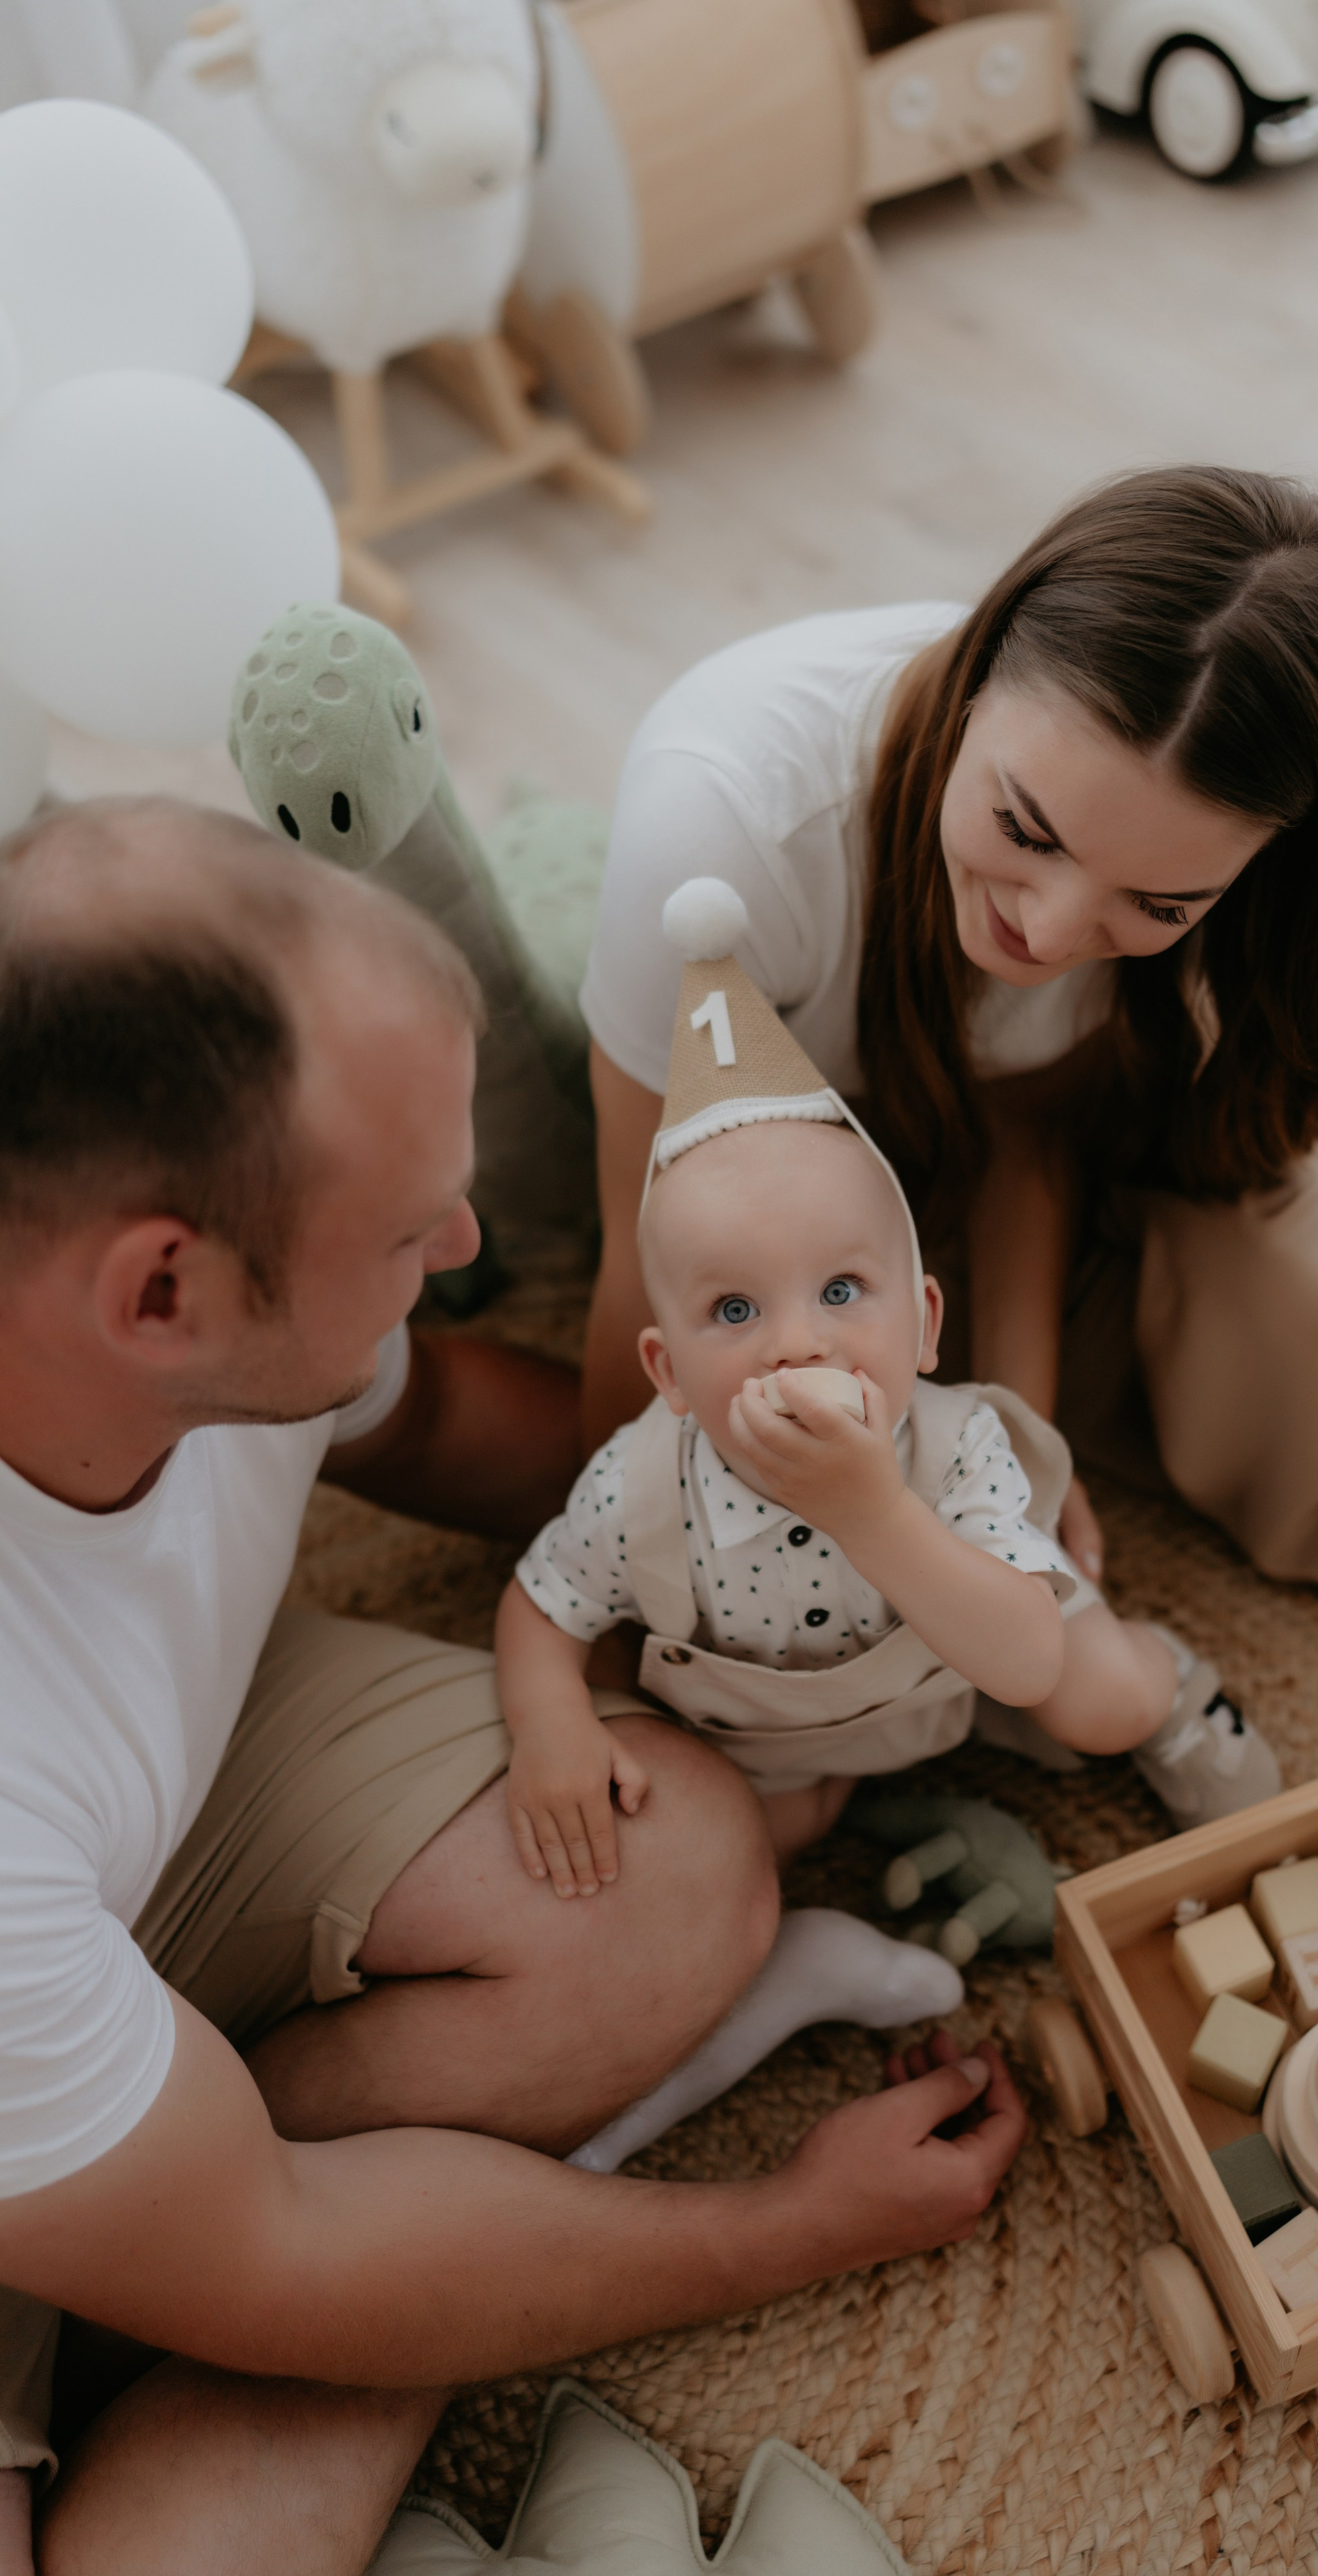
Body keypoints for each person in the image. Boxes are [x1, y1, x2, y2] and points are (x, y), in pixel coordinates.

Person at [0, 798, 1026, 2576]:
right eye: (406, 1227)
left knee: (676, 1869)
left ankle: (133, 2187)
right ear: (162, 1291)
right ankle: (129, 2211)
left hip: (141, 1836)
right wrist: (786, 2225)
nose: (470, 1237)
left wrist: (844, 1508)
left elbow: (459, 1427)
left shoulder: (125, 1238)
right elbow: (285, 2259)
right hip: (43, 1891)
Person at [575, 467, 1318, 1712]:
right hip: (850, 1253)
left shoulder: (1135, 858)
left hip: (1043, 1173)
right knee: (1278, 1406)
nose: (1055, 931)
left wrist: (1022, 1444)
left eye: (1158, 907)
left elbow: (1030, 1129)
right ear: (980, 663)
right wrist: (632, 1650)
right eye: (1028, 832)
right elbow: (648, 1265)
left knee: (1309, 1309)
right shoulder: (727, 831)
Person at [496, 884, 1280, 1893]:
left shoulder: (957, 1453)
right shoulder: (638, 1490)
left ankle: (1170, 1688)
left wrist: (869, 1508)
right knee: (719, 1866)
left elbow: (1028, 1661)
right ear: (668, 1374)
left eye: (839, 1290)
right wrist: (550, 1725)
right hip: (796, 1737)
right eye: (734, 1312)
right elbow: (538, 1607)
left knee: (1097, 1706)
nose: (796, 1343)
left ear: (927, 1328)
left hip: (985, 1651)